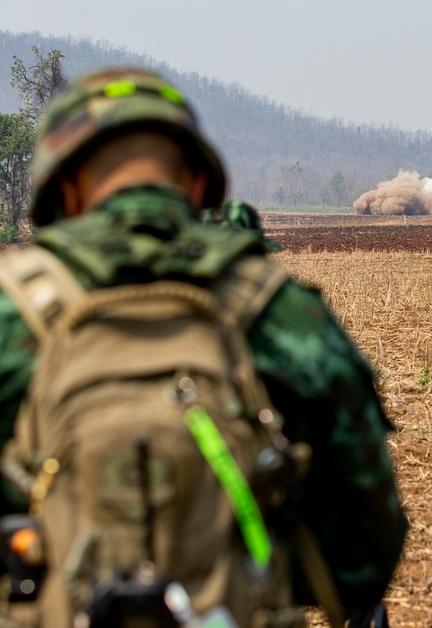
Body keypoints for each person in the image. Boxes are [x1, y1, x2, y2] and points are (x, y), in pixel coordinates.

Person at [0, 67, 406, 626]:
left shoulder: (12, 317)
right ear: (195, 182)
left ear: (65, 189)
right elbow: (364, 559)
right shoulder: (275, 311)